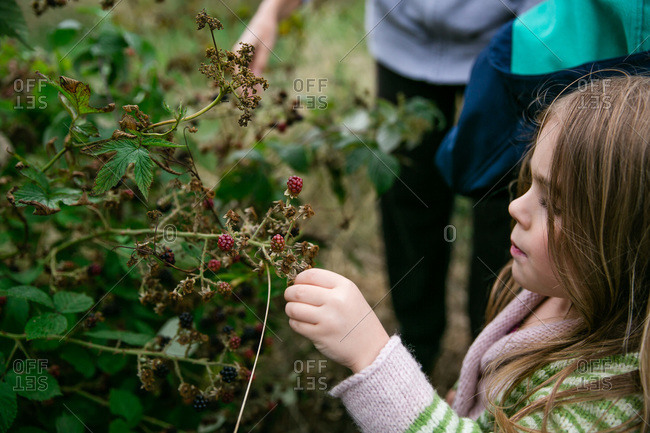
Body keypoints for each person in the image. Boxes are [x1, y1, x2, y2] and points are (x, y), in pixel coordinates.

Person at [283, 74, 649, 432]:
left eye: (552, 203)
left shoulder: (599, 404)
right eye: (530, 181)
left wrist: (372, 357)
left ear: (623, 245)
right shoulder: (553, 295)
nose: (516, 207)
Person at [238, 0, 542, 372]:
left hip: (513, 38)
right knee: (408, 192)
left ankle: (492, 360)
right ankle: (416, 346)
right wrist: (268, 13)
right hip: (405, 40)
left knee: (505, 200)